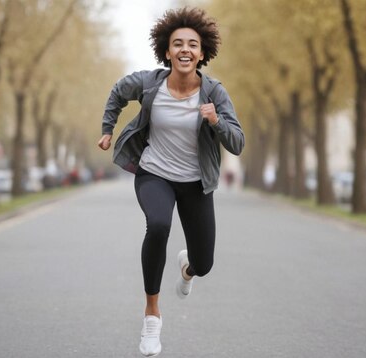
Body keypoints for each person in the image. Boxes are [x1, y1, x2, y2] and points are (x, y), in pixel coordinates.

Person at [97, 7, 244, 357]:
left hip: (195, 183)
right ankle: (152, 316)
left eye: (192, 44)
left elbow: (237, 141)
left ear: (202, 53)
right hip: (155, 174)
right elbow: (118, 91)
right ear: (166, 51)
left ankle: (188, 268)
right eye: (177, 43)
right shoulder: (149, 83)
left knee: (204, 264)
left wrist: (216, 122)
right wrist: (107, 129)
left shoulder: (214, 93)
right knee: (159, 225)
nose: (184, 49)